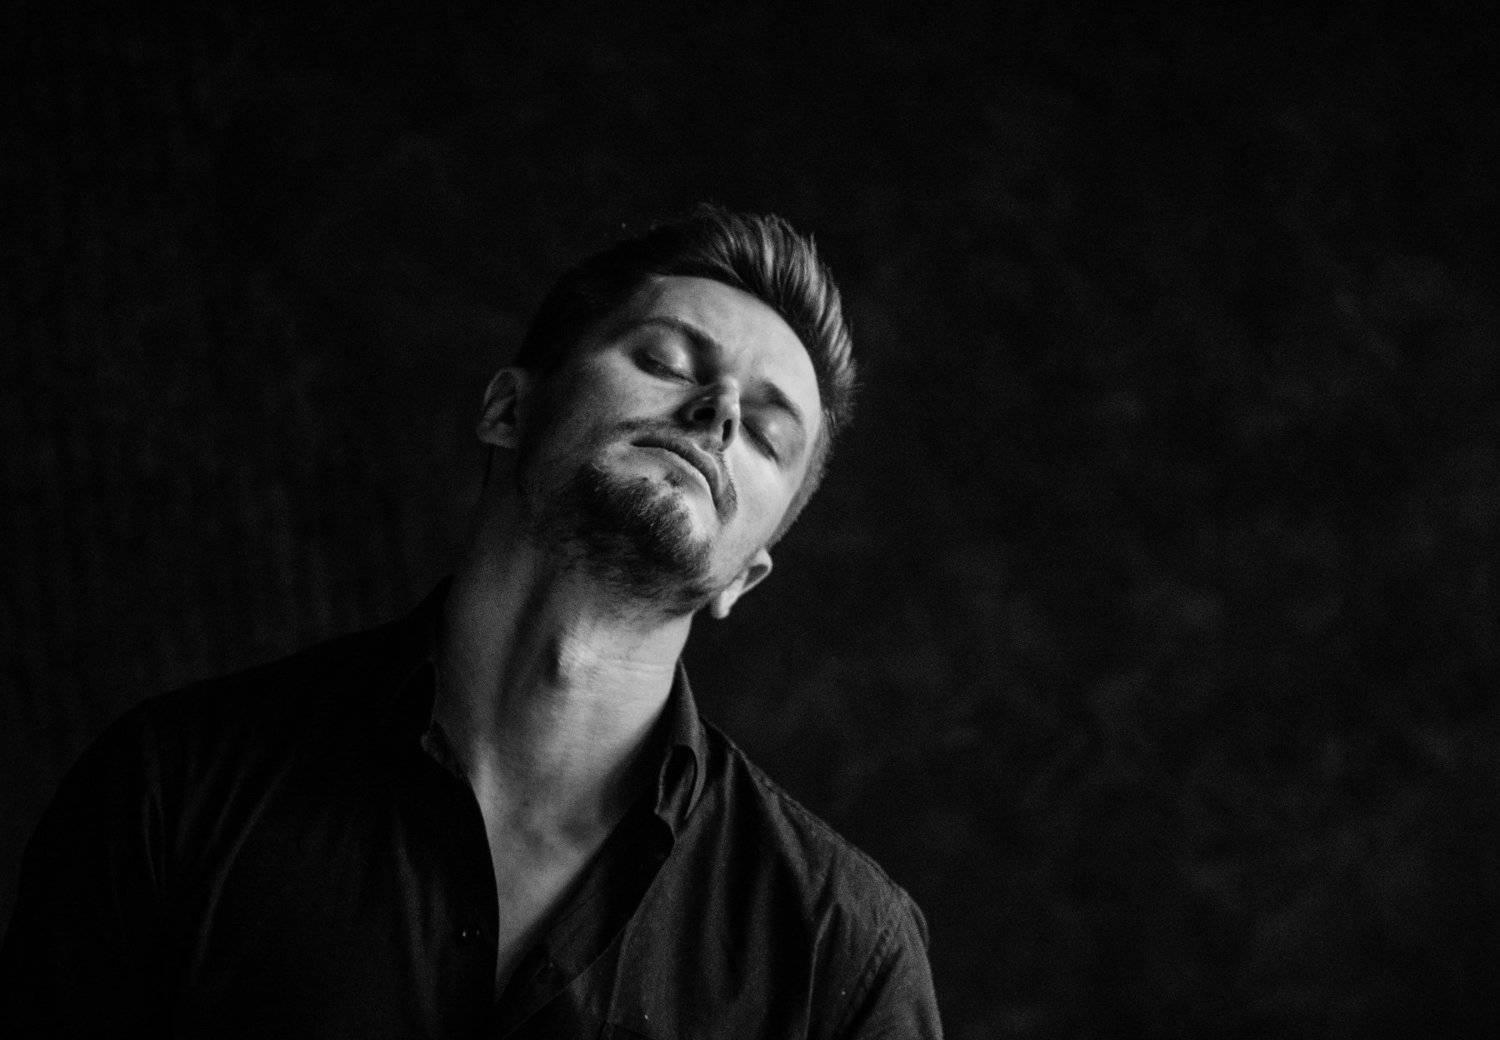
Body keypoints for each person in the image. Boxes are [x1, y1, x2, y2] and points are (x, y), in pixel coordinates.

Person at [1, 205, 943, 1038]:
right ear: (506, 408)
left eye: (769, 434)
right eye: (664, 361)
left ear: (748, 575)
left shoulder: (842, 953)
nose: (719, 414)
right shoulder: (174, 788)